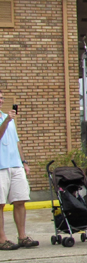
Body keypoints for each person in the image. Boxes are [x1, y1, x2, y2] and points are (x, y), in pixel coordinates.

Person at [0, 91, 37, 250]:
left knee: (20, 200)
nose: (1, 100)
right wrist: (7, 121)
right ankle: (2, 239)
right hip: (1, 167)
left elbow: (17, 142)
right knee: (0, 204)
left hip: (15, 165)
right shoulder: (7, 120)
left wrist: (24, 162)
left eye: (2, 97)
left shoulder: (7, 118)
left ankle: (22, 236)